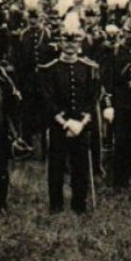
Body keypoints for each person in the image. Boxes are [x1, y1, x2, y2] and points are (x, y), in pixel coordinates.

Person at [40, 13, 102, 214]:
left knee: (80, 166)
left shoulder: (89, 68)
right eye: (66, 40)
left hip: (82, 124)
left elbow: (92, 99)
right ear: (60, 42)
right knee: (56, 167)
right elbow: (48, 100)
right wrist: (65, 123)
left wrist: (82, 123)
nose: (70, 45)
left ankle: (79, 204)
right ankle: (56, 205)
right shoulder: (50, 69)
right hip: (59, 125)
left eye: (74, 40)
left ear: (80, 42)